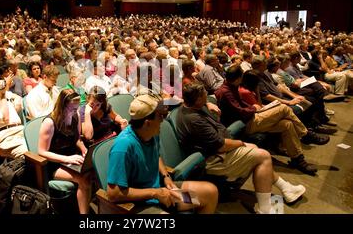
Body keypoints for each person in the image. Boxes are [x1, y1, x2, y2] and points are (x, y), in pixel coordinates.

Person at [175, 83, 307, 213]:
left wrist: (208, 103)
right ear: (197, 99)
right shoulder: (194, 120)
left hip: (218, 149)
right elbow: (221, 146)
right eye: (204, 97)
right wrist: (240, 143)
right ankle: (265, 208)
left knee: (255, 149)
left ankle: (285, 188)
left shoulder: (189, 105)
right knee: (263, 156)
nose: (206, 98)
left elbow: (208, 102)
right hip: (213, 159)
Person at [106, 94, 219, 214]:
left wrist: (166, 176)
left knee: (209, 193)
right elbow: (114, 194)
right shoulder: (123, 147)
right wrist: (155, 193)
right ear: (147, 123)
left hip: (163, 193)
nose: (162, 120)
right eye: (160, 116)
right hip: (139, 204)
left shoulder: (152, 132)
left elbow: (156, 154)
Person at [215, 65, 319, 175]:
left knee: (287, 124)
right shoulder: (226, 91)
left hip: (249, 118)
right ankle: (305, 134)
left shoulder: (231, 86)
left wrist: (256, 107)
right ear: (238, 78)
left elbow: (241, 104)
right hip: (245, 124)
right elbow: (240, 111)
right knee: (283, 108)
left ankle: (298, 159)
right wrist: (254, 107)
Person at [37, 89, 92, 214]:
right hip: (54, 163)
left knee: (93, 171)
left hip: (71, 157)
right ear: (62, 106)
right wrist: (66, 159)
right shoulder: (49, 123)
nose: (75, 112)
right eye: (72, 109)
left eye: (76, 108)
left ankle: (84, 201)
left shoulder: (75, 116)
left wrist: (84, 149)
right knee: (84, 180)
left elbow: (77, 139)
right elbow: (41, 152)